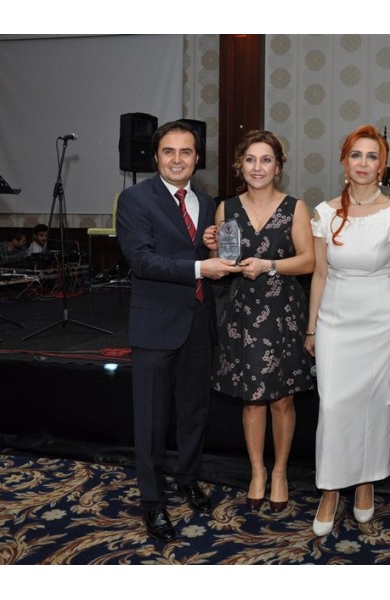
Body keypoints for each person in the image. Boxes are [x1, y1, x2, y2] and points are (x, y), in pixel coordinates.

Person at [116, 120, 229, 542]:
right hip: (155, 325)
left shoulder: (207, 200)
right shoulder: (134, 199)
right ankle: (152, 501)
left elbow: (199, 250)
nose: (177, 159)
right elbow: (142, 261)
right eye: (169, 151)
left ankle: (188, 479)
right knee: (151, 420)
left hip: (198, 321)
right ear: (156, 156)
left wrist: (212, 247)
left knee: (194, 412)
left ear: (197, 158)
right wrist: (201, 266)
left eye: (186, 152)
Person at [305, 125, 390, 537]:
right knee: (332, 405)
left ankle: (365, 482)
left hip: (381, 319)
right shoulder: (323, 212)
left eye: (372, 156)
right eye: (356, 155)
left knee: (374, 404)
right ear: (344, 162)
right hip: (335, 317)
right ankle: (330, 488)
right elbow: (319, 273)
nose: (363, 163)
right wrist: (311, 329)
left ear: (382, 166)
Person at [201, 130, 315, 513]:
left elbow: (309, 261)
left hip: (283, 313)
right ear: (240, 165)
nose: (258, 167)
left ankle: (280, 472)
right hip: (243, 314)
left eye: (266, 160)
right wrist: (212, 248)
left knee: (282, 400)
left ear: (278, 167)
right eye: (250, 159)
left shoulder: (295, 208)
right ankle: (257, 472)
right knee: (252, 399)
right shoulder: (226, 209)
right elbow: (222, 264)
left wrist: (269, 266)